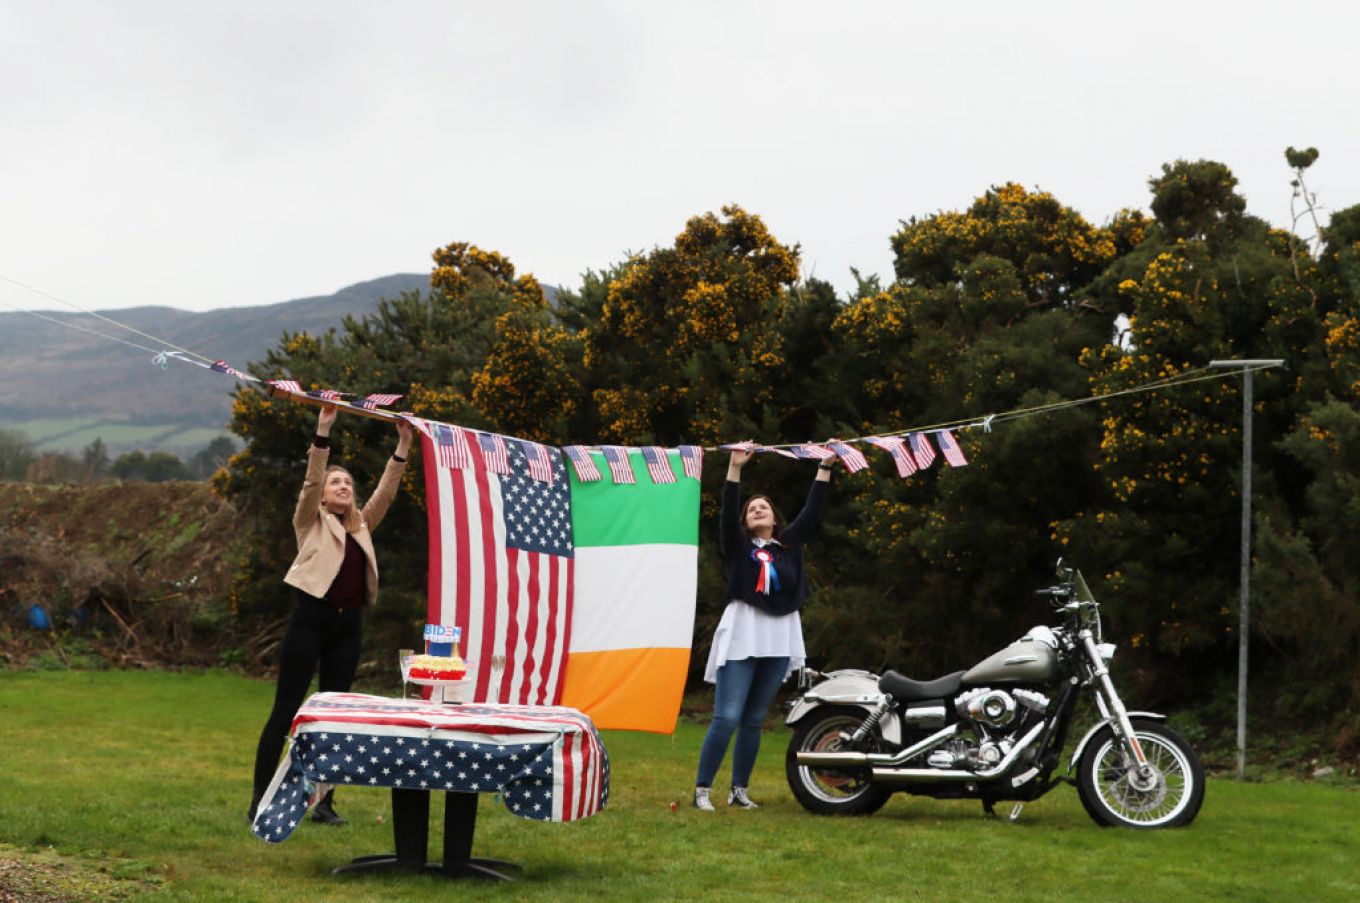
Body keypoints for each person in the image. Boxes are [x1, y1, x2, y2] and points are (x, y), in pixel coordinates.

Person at [249, 404, 411, 825]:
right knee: (286, 711)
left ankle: (323, 802)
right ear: (322, 493)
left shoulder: (361, 525)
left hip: (348, 627)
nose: (343, 486)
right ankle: (260, 799)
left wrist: (403, 444)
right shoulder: (310, 521)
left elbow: (387, 492)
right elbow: (310, 480)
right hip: (310, 621)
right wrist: (323, 431)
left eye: (348, 483)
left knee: (334, 717)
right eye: (335, 482)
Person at [694, 445, 833, 811]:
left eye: (764, 507)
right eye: (751, 508)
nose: (757, 509)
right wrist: (734, 470)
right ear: (746, 521)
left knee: (754, 720)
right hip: (744, 633)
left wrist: (825, 466)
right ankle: (702, 790)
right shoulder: (739, 547)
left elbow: (811, 511)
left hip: (779, 636)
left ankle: (739, 790)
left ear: (774, 518)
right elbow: (726, 515)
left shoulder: (789, 546)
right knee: (727, 717)